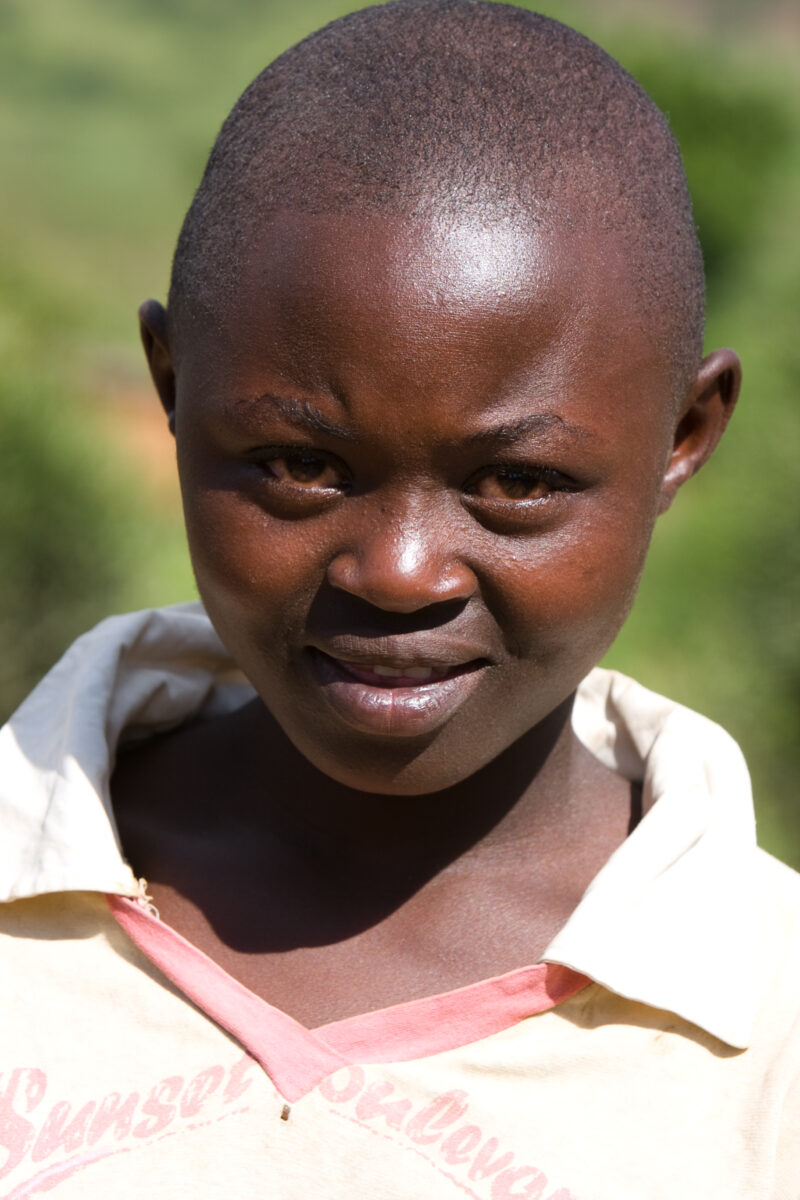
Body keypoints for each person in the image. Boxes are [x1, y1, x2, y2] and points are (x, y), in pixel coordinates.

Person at [1, 1, 798, 1196]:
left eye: (517, 482)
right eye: (298, 467)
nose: (399, 571)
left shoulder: (764, 1038)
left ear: (682, 436)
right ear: (173, 388)